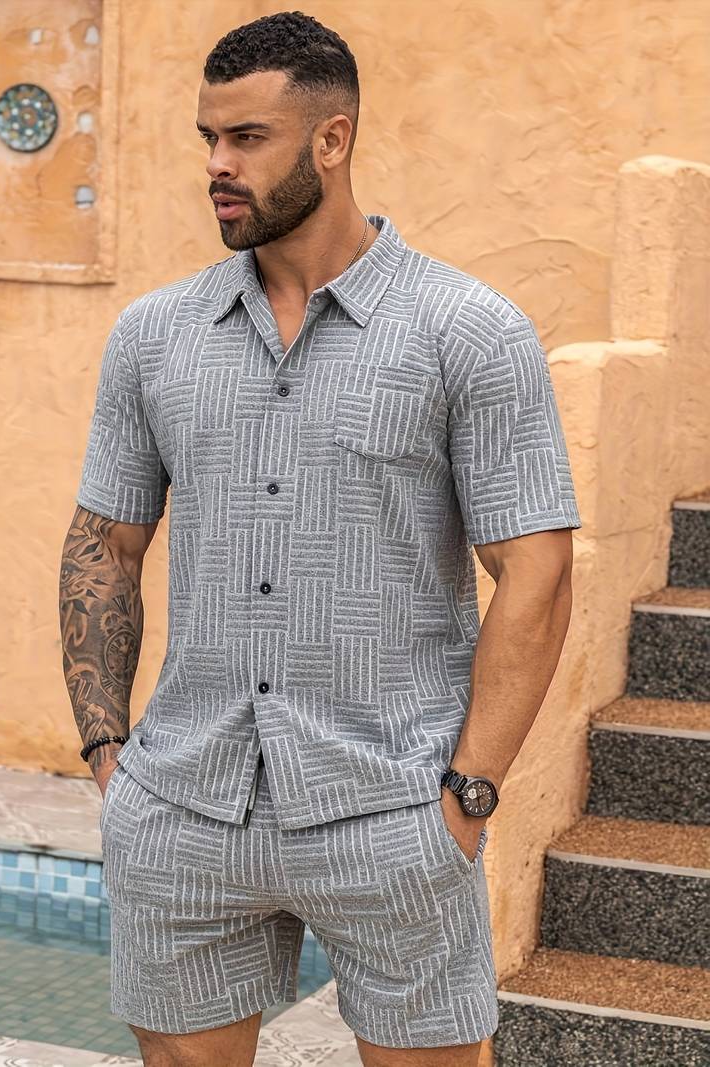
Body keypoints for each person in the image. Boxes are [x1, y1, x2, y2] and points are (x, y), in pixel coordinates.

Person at [58, 10, 581, 1067]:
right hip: (184, 807)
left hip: (391, 808)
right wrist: (111, 758)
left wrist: (466, 795)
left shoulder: (467, 330)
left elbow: (536, 567)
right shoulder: (153, 336)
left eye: (246, 137)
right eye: (209, 137)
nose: (217, 164)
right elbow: (103, 543)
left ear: (331, 140)